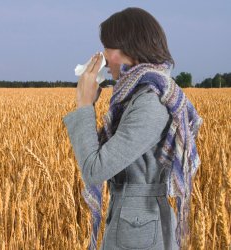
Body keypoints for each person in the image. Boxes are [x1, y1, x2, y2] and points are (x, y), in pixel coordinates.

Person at [62, 7, 203, 250]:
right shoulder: (136, 95)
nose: (103, 57)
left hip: (138, 230)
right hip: (136, 224)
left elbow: (95, 169)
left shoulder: (150, 102)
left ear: (129, 50)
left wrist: (84, 106)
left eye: (107, 47)